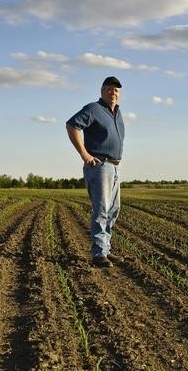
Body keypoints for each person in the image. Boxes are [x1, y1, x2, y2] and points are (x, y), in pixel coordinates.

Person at [66, 76, 125, 268]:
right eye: (109, 89)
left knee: (113, 210)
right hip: (99, 166)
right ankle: (99, 254)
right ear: (102, 91)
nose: (113, 93)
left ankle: (105, 249)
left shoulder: (117, 112)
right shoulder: (93, 109)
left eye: (116, 90)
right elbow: (72, 125)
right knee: (101, 210)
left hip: (114, 166)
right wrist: (85, 154)